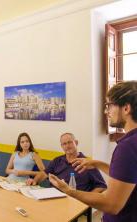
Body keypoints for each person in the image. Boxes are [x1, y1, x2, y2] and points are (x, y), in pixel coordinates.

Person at [48, 81, 137, 222]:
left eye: (109, 106)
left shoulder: (127, 147)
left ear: (126, 108)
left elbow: (111, 204)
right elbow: (128, 177)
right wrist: (97, 164)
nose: (106, 111)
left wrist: (69, 191)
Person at [27, 133, 107, 193]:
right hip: (53, 197)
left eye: (70, 142)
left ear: (76, 142)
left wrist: (87, 200)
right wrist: (34, 181)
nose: (67, 146)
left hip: (75, 201)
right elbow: (44, 174)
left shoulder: (87, 163)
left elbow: (102, 186)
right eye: (64, 144)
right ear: (61, 146)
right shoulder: (57, 160)